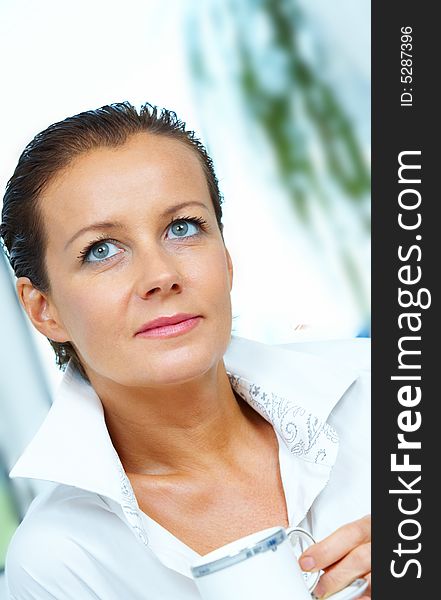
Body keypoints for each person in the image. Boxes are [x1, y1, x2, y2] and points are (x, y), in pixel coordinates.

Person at [1, 102, 371, 599]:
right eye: (101, 250)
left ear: (226, 255)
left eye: (183, 228)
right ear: (44, 308)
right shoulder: (60, 560)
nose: (161, 277)